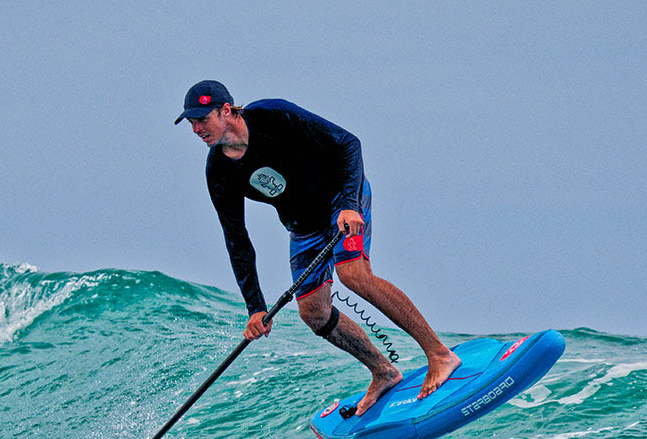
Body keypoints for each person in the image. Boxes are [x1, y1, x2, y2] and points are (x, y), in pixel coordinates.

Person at [177, 80, 461, 415]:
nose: (196, 129)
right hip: (303, 228)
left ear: (226, 110)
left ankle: (439, 354)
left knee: (352, 274)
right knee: (313, 313)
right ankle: (383, 371)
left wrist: (350, 205)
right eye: (191, 123)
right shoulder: (218, 171)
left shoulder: (274, 115)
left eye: (201, 119)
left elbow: (348, 144)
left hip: (342, 200)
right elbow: (236, 239)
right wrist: (255, 307)